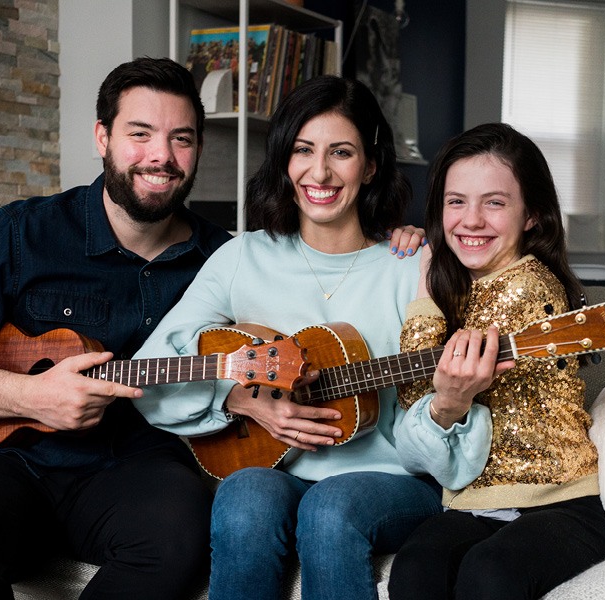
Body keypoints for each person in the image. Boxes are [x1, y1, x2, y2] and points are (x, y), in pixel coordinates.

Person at [0, 57, 233, 599]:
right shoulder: (21, 234)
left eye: (180, 138)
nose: (161, 156)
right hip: (9, 459)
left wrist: (402, 239)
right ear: (103, 137)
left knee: (179, 542)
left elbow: (319, 282)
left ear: (198, 149)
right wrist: (31, 396)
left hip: (139, 467)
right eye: (140, 134)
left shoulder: (227, 259)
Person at [131, 75, 449, 600]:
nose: (319, 171)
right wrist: (240, 398)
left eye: (341, 152)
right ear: (284, 160)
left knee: (330, 509)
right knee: (242, 494)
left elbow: (445, 403)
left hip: (390, 478)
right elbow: (153, 371)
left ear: (370, 166)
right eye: (303, 150)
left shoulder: (413, 263)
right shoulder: (242, 257)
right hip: (276, 468)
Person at [387, 123, 605, 600]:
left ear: (531, 214)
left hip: (560, 504)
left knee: (489, 576)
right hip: (475, 503)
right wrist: (431, 283)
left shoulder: (526, 284)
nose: (471, 220)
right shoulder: (462, 284)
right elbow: (416, 402)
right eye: (456, 202)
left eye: (494, 202)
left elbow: (420, 395)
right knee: (414, 569)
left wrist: (426, 290)